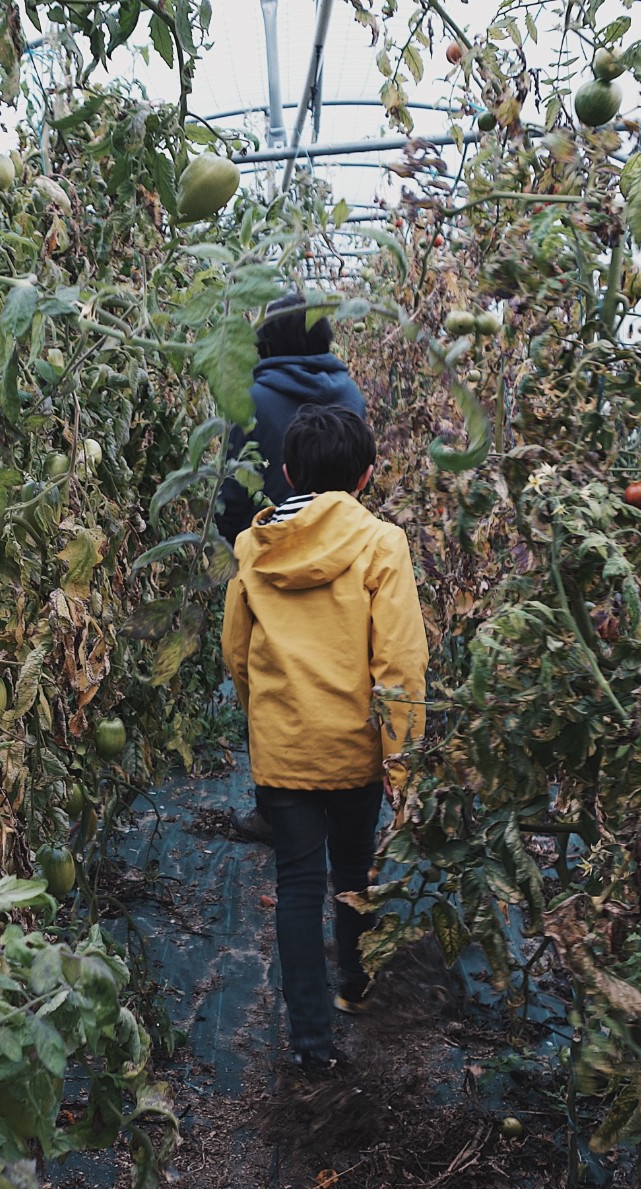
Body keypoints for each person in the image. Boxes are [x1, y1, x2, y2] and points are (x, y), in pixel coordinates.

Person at [220, 404, 428, 1075]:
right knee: (353, 872)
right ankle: (355, 989)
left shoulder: (253, 549)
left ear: (285, 471)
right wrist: (400, 760)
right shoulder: (379, 544)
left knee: (297, 886)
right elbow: (398, 662)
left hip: (283, 750)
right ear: (365, 476)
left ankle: (310, 1046)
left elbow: (235, 651)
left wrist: (266, 715)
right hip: (354, 750)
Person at [219, 294, 370, 845]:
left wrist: (241, 537)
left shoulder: (254, 396)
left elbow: (237, 482)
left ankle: (277, 806)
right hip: (343, 551)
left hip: (275, 553)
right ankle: (342, 795)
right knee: (335, 670)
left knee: (274, 673)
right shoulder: (348, 392)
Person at [214, 293, 368, 548]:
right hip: (340, 546)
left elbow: (232, 493)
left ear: (266, 344)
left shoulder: (250, 401)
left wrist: (237, 550)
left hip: (267, 553)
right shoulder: (350, 395)